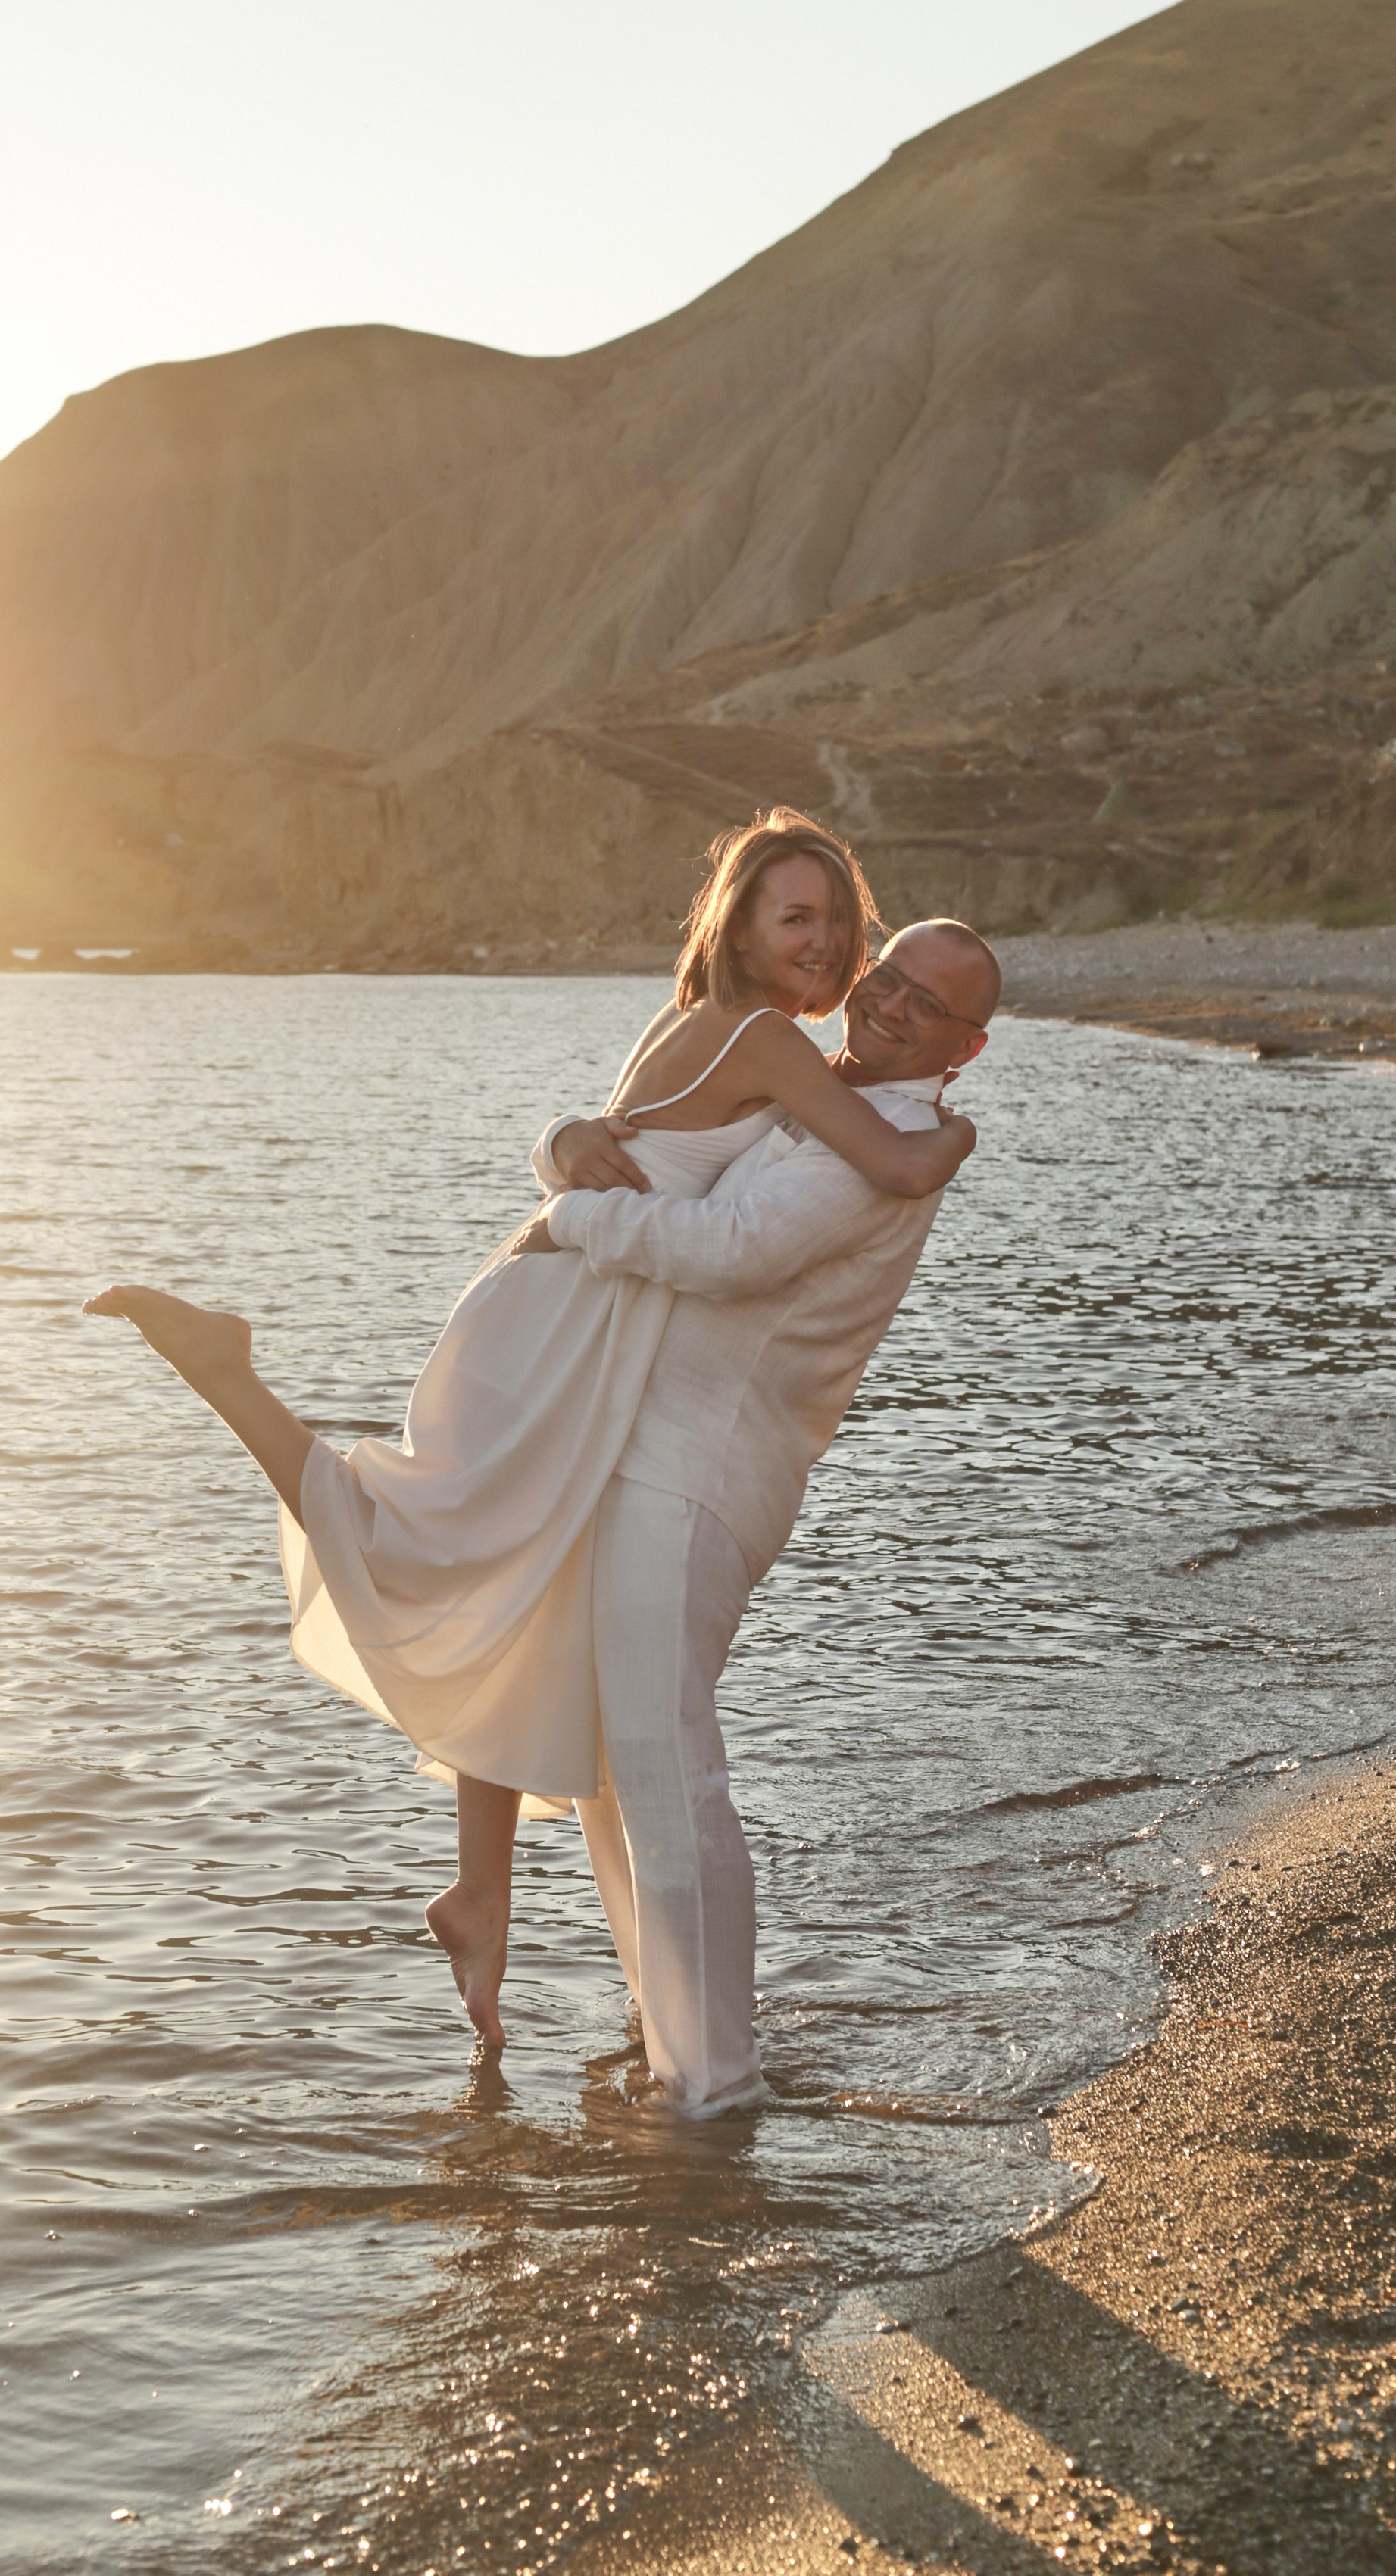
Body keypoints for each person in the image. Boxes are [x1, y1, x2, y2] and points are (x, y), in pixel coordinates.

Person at [81, 812, 977, 2047]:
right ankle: (231, 1378)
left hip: (551, 1311)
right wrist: (956, 1133)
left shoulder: (701, 1027)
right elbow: (895, 1160)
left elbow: (609, 1141)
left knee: (508, 1578)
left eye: (841, 924)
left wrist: (558, 1152)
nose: (829, 947)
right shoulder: (776, 1045)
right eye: (799, 920)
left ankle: (483, 1895)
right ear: (741, 928)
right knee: (441, 1551)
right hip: (561, 1319)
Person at [509, 915, 1001, 2113]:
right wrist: (561, 1146)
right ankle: (667, 2033)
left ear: (965, 1045)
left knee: (667, 1772)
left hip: (702, 1473)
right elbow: (650, 1133)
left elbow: (735, 1253)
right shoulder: (821, 1100)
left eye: (924, 1005)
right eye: (886, 979)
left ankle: (713, 2083)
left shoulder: (891, 1134)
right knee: (616, 1776)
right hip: (651, 1456)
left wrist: (567, 1220)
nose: (887, 1004)